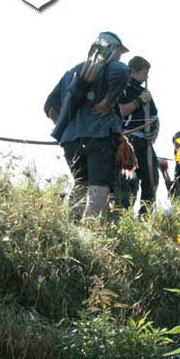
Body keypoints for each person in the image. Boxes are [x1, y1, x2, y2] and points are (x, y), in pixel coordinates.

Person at [44, 31, 131, 219]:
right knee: (99, 184)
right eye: (119, 52)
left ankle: (72, 229)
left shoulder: (71, 72)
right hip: (100, 136)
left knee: (81, 182)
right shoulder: (112, 66)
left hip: (70, 141)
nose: (119, 56)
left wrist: (67, 126)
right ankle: (89, 230)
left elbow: (50, 105)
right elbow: (124, 72)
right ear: (112, 48)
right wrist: (109, 99)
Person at [117, 56, 159, 215]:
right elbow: (118, 111)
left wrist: (155, 132)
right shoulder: (122, 88)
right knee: (129, 180)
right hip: (128, 139)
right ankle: (123, 214)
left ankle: (145, 216)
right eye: (144, 73)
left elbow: (155, 117)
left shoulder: (145, 92)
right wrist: (139, 101)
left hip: (145, 142)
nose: (146, 77)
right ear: (133, 71)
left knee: (152, 180)